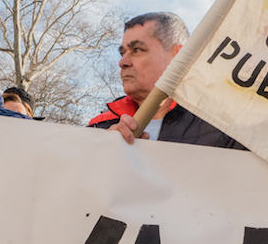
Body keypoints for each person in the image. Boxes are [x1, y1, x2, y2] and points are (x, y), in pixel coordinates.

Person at [89, 12, 244, 149]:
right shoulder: (99, 128)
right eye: (122, 52)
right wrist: (101, 151)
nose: (122, 62)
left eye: (137, 50)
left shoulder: (225, 127)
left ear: (178, 56)